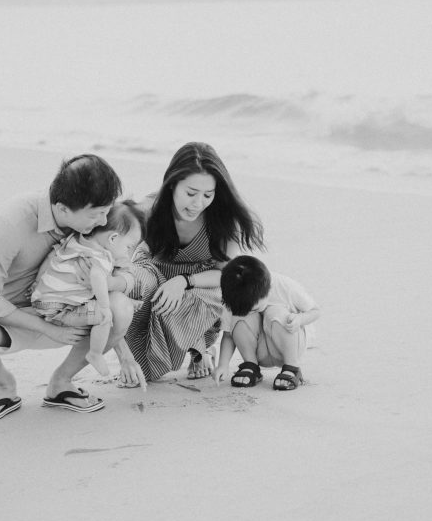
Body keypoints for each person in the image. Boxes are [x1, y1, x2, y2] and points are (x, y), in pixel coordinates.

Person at [0, 154, 145, 424]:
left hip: (72, 312)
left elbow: (127, 267)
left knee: (120, 306)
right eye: (96, 214)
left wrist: (124, 354)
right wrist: (46, 328)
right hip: (12, 320)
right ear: (63, 209)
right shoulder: (12, 221)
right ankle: (5, 388)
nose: (102, 221)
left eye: (106, 212)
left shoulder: (95, 218)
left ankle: (61, 384)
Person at [124, 142, 264, 382]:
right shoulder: (151, 208)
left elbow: (228, 275)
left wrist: (183, 281)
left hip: (200, 284)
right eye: (190, 193)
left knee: (201, 298)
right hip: (154, 272)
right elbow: (117, 247)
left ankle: (200, 347)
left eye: (207, 195)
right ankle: (133, 356)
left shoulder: (223, 219)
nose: (198, 203)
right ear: (172, 184)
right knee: (131, 283)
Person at [31, 201, 145, 379]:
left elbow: (52, 256)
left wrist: (37, 282)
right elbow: (99, 280)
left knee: (94, 296)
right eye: (129, 247)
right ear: (113, 238)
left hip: (42, 298)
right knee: (104, 317)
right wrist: (106, 308)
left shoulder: (76, 240)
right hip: (59, 310)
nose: (127, 254)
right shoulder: (101, 257)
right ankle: (95, 353)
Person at [213, 255, 320, 391]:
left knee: (275, 312)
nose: (251, 310)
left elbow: (315, 311)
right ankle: (251, 365)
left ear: (268, 289)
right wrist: (223, 365)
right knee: (239, 317)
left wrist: (299, 319)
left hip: (286, 345)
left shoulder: (284, 286)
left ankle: (291, 368)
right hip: (260, 350)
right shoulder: (235, 296)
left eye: (255, 308)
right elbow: (228, 334)